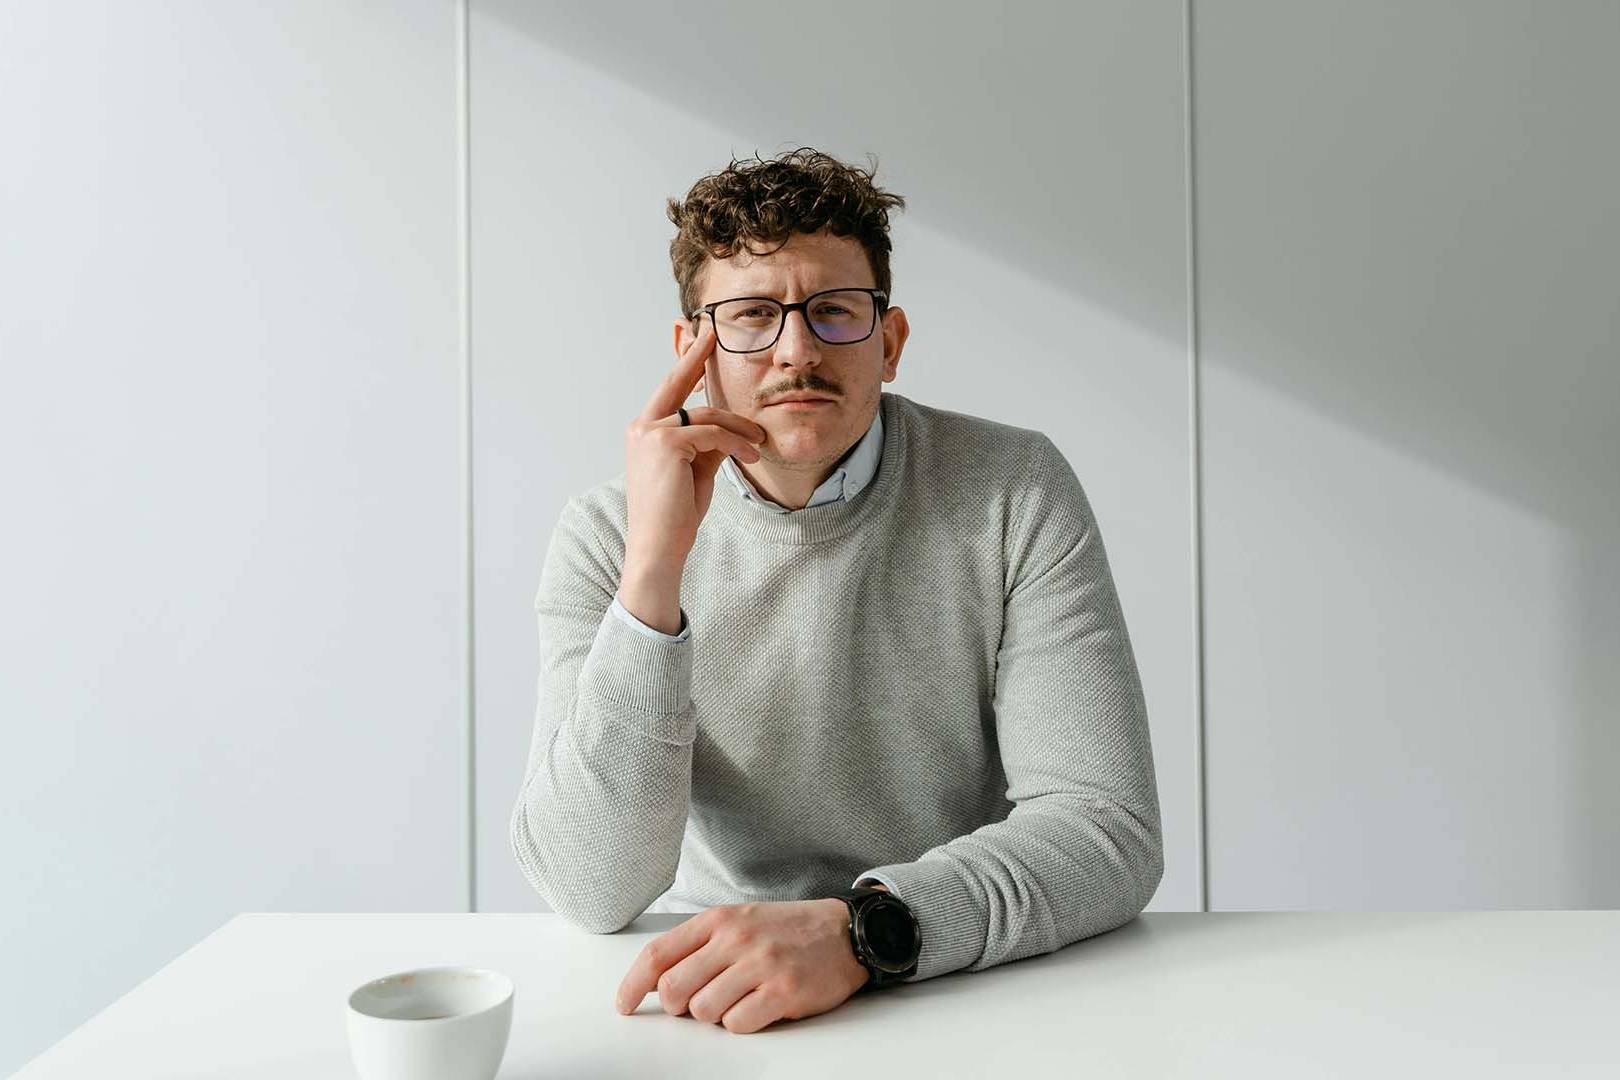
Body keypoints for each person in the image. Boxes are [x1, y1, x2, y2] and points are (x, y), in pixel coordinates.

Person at [509, 147, 1163, 1035]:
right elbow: (590, 885)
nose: (797, 350)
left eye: (835, 311)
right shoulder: (606, 538)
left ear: (888, 343)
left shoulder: (1014, 490)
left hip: (956, 981)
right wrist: (654, 571)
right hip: (708, 994)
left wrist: (862, 933)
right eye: (751, 315)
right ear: (693, 352)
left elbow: (1106, 827)